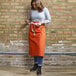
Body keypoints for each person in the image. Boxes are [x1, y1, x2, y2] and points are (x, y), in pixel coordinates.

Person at [25, 0, 51, 75]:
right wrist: (28, 21)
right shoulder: (31, 10)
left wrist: (41, 22)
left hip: (40, 29)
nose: (34, 6)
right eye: (32, 5)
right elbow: (30, 19)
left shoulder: (45, 10)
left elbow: (49, 20)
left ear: (39, 4)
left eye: (35, 5)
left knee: (40, 48)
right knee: (34, 47)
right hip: (32, 29)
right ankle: (35, 65)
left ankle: (39, 66)